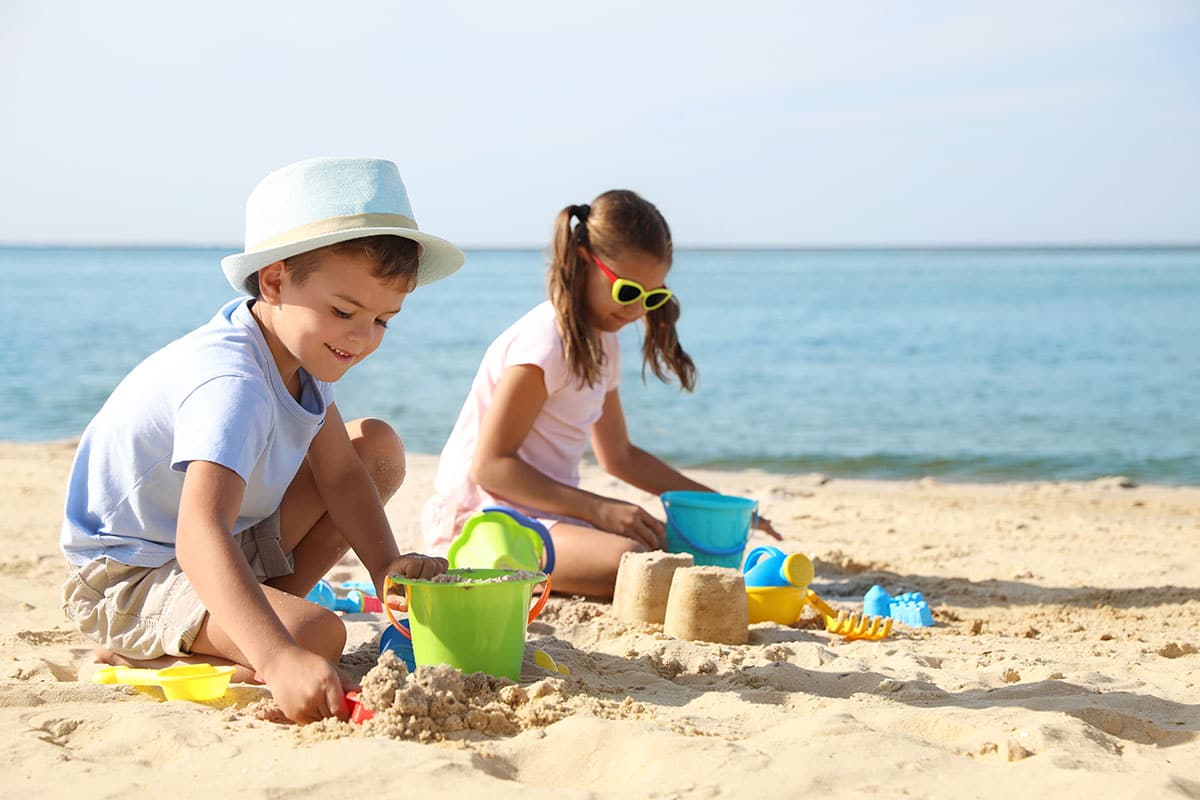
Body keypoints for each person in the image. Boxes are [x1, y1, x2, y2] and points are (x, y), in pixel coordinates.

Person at [60, 157, 463, 724]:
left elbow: (344, 475)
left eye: (383, 320)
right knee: (317, 636)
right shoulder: (233, 383)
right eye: (344, 311)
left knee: (373, 448)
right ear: (274, 282)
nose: (363, 337)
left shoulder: (300, 355)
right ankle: (166, 645)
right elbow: (200, 532)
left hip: (215, 547)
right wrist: (279, 659)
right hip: (131, 575)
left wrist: (387, 567)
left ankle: (238, 627)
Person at [421, 190, 779, 598]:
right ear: (581, 260)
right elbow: (490, 467)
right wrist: (599, 509)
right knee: (635, 560)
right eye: (627, 292)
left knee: (662, 547)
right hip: (483, 522)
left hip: (545, 515)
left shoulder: (602, 343)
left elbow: (619, 455)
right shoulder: (545, 343)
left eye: (652, 297)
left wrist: (723, 506)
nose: (637, 310)